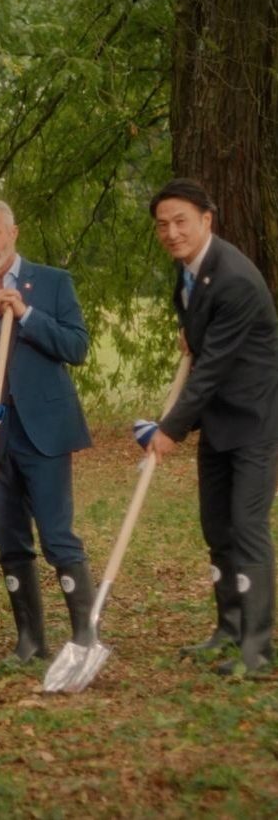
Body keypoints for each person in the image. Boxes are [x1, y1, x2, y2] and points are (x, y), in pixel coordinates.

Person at [0, 198, 94, 662]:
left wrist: (26, 314)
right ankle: (30, 639)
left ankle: (84, 637)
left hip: (45, 429)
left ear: (14, 232)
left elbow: (76, 346)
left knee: (57, 535)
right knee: (10, 540)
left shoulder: (52, 283)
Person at [147, 178, 278, 675]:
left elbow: (215, 366)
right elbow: (205, 347)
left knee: (247, 529)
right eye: (163, 224)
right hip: (220, 422)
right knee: (216, 528)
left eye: (181, 220)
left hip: (254, 421)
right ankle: (229, 628)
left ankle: (257, 648)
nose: (172, 232)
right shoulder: (189, 274)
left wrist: (170, 428)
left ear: (207, 219)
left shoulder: (236, 280)